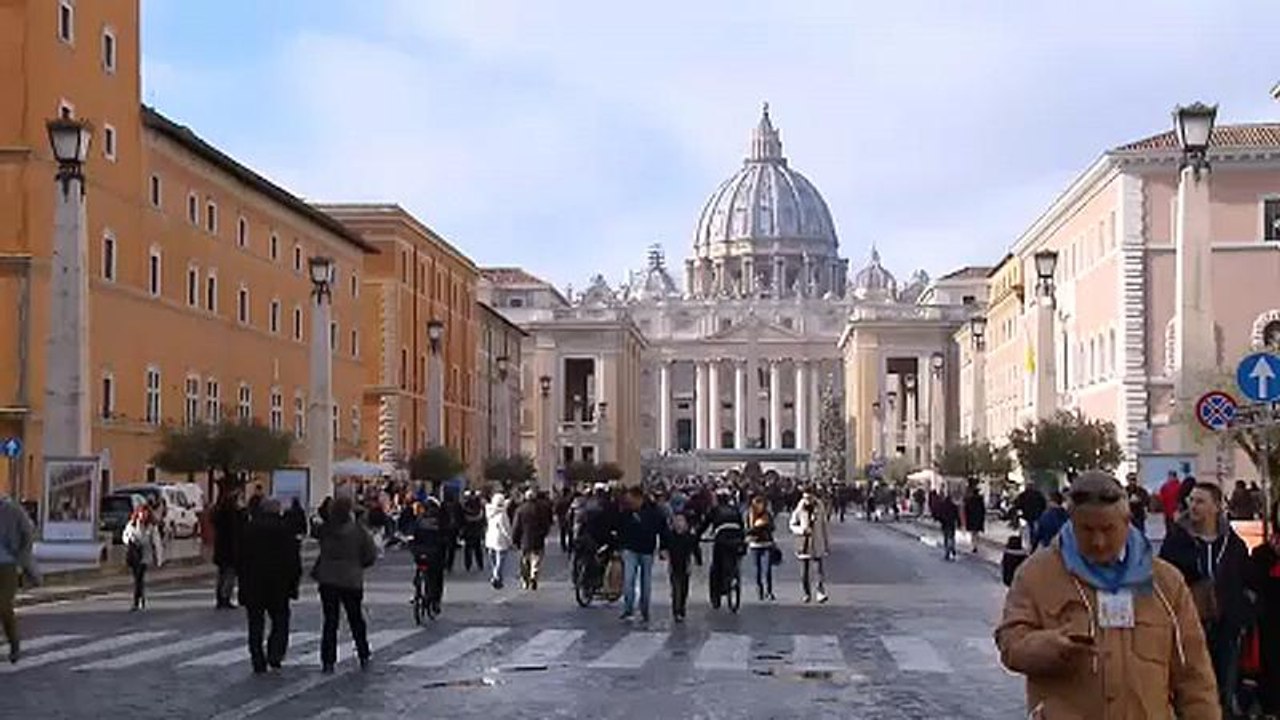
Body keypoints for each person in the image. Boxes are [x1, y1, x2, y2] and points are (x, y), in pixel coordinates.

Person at [995, 471, 1219, 720]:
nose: (1098, 541)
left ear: (1127, 521)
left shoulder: (1165, 582)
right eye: (1087, 530)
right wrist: (1049, 647)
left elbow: (1195, 675)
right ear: (1071, 523)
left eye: (1108, 529)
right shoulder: (1036, 575)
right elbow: (1010, 642)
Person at [1159, 482, 1250, 716]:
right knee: (1192, 680)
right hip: (1189, 623)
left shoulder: (1233, 544)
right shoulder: (1176, 541)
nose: (1193, 506)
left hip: (1226, 624)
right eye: (1191, 500)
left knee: (1224, 679)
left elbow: (1243, 580)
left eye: (1200, 501)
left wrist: (1241, 614)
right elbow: (1164, 579)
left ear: (1216, 506)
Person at [311, 495, 378, 673]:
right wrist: (358, 565)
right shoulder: (358, 531)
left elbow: (314, 531)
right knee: (355, 618)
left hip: (328, 579)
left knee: (330, 621)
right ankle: (363, 652)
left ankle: (328, 659)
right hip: (351, 579)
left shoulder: (326, 530)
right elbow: (370, 555)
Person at [237, 498, 301, 674]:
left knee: (255, 624)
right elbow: (293, 560)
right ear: (277, 510)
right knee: (280, 620)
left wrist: (242, 582)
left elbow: (240, 558)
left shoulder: (249, 529)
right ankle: (275, 653)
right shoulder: (285, 529)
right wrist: (293, 583)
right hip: (279, 583)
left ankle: (257, 658)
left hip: (254, 582)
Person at [617, 487, 669, 623]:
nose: (629, 502)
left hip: (647, 550)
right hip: (630, 549)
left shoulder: (653, 511)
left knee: (646, 581)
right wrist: (620, 546)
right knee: (628, 579)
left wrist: (663, 547)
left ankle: (644, 609)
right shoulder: (626, 511)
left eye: (631, 500)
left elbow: (662, 529)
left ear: (638, 498)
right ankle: (628, 608)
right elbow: (620, 528)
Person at [1246, 526, 1280, 716]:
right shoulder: (1262, 555)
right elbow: (1253, 583)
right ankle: (1270, 706)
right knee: (1270, 661)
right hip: (1270, 621)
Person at [0, 496, 37, 663]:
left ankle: (14, 642)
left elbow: (28, 532)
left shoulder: (12, 510)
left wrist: (21, 559)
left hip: (8, 565)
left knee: (3, 605)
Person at [789, 488, 830, 604]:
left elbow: (824, 525)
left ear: (813, 497)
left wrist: (826, 544)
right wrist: (801, 530)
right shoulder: (800, 508)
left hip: (817, 542)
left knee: (818, 571)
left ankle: (820, 592)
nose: (807, 500)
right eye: (805, 498)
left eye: (809, 498)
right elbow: (792, 524)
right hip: (804, 543)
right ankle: (806, 593)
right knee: (804, 573)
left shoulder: (820, 507)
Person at [122, 505, 163, 611]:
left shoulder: (151, 527)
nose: (143, 515)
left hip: (144, 554)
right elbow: (125, 535)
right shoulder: (132, 524)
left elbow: (157, 543)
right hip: (134, 554)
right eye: (141, 513)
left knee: (139, 578)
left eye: (145, 513)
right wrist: (129, 540)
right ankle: (140, 598)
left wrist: (158, 559)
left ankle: (137, 601)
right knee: (138, 578)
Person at [661, 513, 701, 622]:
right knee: (676, 589)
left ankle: (682, 607)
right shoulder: (669, 535)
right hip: (673, 566)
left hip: (685, 565)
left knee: (684, 589)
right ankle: (676, 611)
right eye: (676, 521)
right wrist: (664, 554)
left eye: (681, 521)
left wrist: (698, 560)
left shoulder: (690, 537)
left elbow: (695, 548)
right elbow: (663, 547)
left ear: (686, 524)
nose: (679, 524)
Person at [408, 500, 446, 613]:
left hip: (419, 552)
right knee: (437, 577)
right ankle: (435, 601)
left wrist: (413, 547)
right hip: (435, 554)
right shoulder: (440, 522)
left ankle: (417, 589)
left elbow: (412, 535)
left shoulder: (419, 521)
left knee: (420, 567)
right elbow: (444, 537)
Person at [511, 490, 553, 591]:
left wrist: (514, 539)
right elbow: (546, 523)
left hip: (524, 539)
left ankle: (525, 579)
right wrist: (544, 534)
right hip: (538, 538)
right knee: (536, 558)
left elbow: (516, 526)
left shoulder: (520, 509)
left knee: (525, 560)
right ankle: (534, 574)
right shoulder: (541, 508)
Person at [212, 493, 242, 610]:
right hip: (230, 550)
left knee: (221, 575)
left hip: (220, 549)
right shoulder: (232, 515)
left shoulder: (219, 513)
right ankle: (225, 597)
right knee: (230, 575)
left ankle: (220, 598)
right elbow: (236, 532)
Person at [745, 495, 776, 601]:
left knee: (767, 569)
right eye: (757, 504)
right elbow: (746, 530)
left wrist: (765, 525)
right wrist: (756, 527)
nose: (760, 506)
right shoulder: (749, 515)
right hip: (755, 545)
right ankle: (759, 590)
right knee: (757, 569)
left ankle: (769, 591)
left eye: (761, 504)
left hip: (767, 544)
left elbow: (772, 527)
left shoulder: (767, 515)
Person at [484, 492, 513, 590]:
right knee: (500, 560)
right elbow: (505, 529)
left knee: (493, 559)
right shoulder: (502, 515)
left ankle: (497, 577)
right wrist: (510, 540)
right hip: (500, 539)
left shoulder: (489, 511)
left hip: (490, 538)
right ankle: (496, 576)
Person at [460, 491, 485, 573]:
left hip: (468, 531)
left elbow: (462, 519)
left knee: (468, 549)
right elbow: (483, 519)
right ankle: (480, 564)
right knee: (478, 549)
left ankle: (468, 565)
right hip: (477, 530)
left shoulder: (465, 507)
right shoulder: (479, 507)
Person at [935, 491, 960, 562]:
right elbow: (957, 515)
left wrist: (939, 520)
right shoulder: (954, 506)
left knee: (946, 537)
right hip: (951, 523)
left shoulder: (942, 505)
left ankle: (947, 550)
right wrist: (958, 522)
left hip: (945, 523)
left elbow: (939, 514)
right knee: (951, 536)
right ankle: (952, 548)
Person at [963, 482, 986, 553]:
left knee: (973, 533)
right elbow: (983, 510)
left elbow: (966, 510)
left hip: (972, 519)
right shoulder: (980, 500)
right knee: (976, 532)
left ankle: (974, 545)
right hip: (978, 518)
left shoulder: (969, 500)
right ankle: (976, 545)